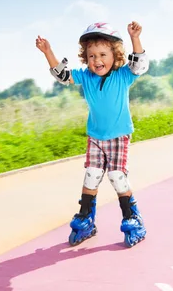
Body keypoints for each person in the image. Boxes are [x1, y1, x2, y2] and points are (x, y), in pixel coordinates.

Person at [35, 21, 149, 247]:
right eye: (92, 56)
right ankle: (86, 217)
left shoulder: (123, 75)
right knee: (92, 174)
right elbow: (62, 76)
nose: (97, 61)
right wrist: (48, 52)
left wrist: (135, 38)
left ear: (115, 55)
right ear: (86, 58)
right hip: (95, 137)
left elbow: (140, 65)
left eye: (103, 54)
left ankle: (132, 217)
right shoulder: (86, 76)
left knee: (117, 177)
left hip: (119, 136)